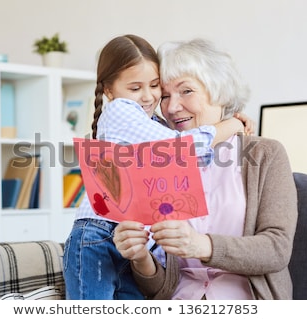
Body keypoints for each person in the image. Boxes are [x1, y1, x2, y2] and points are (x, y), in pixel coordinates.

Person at [63, 34, 255, 300]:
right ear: (109, 90)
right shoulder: (120, 111)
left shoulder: (152, 123)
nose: (148, 96)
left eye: (155, 86)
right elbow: (181, 148)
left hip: (132, 242)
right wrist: (231, 125)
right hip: (99, 235)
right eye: (135, 88)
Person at [113, 38, 298, 300]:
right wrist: (140, 256)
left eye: (186, 91)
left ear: (219, 91)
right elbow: (159, 289)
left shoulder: (264, 154)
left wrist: (202, 245)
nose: (172, 107)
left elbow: (277, 249)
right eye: (164, 96)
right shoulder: (160, 161)